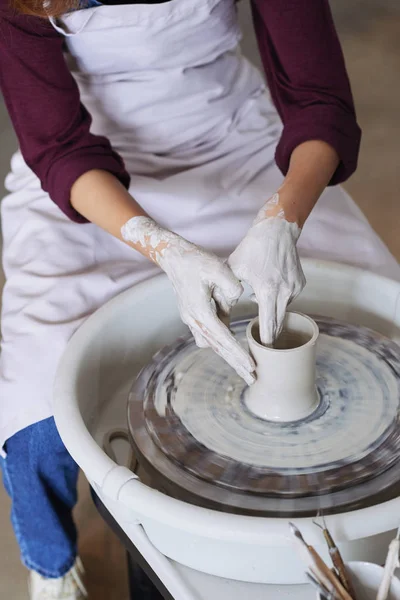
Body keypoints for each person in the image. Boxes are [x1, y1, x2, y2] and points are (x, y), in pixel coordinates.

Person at [0, 0, 398, 598]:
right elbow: (58, 146)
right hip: (89, 182)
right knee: (34, 413)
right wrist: (160, 247)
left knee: (374, 301)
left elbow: (319, 100)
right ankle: (52, 561)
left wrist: (284, 219)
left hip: (234, 141)